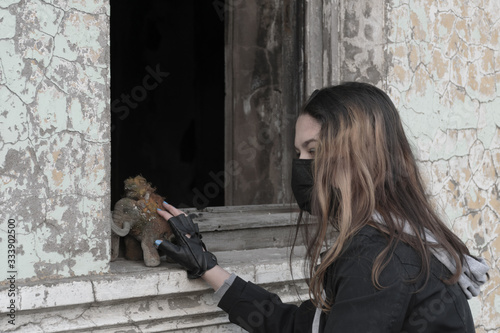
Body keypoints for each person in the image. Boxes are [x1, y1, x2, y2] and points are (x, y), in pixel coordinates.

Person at [156, 82, 489, 332]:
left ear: (361, 157)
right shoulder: (399, 236)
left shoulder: (378, 259)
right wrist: (208, 268)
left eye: (313, 152)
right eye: (299, 152)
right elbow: (304, 326)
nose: (301, 165)